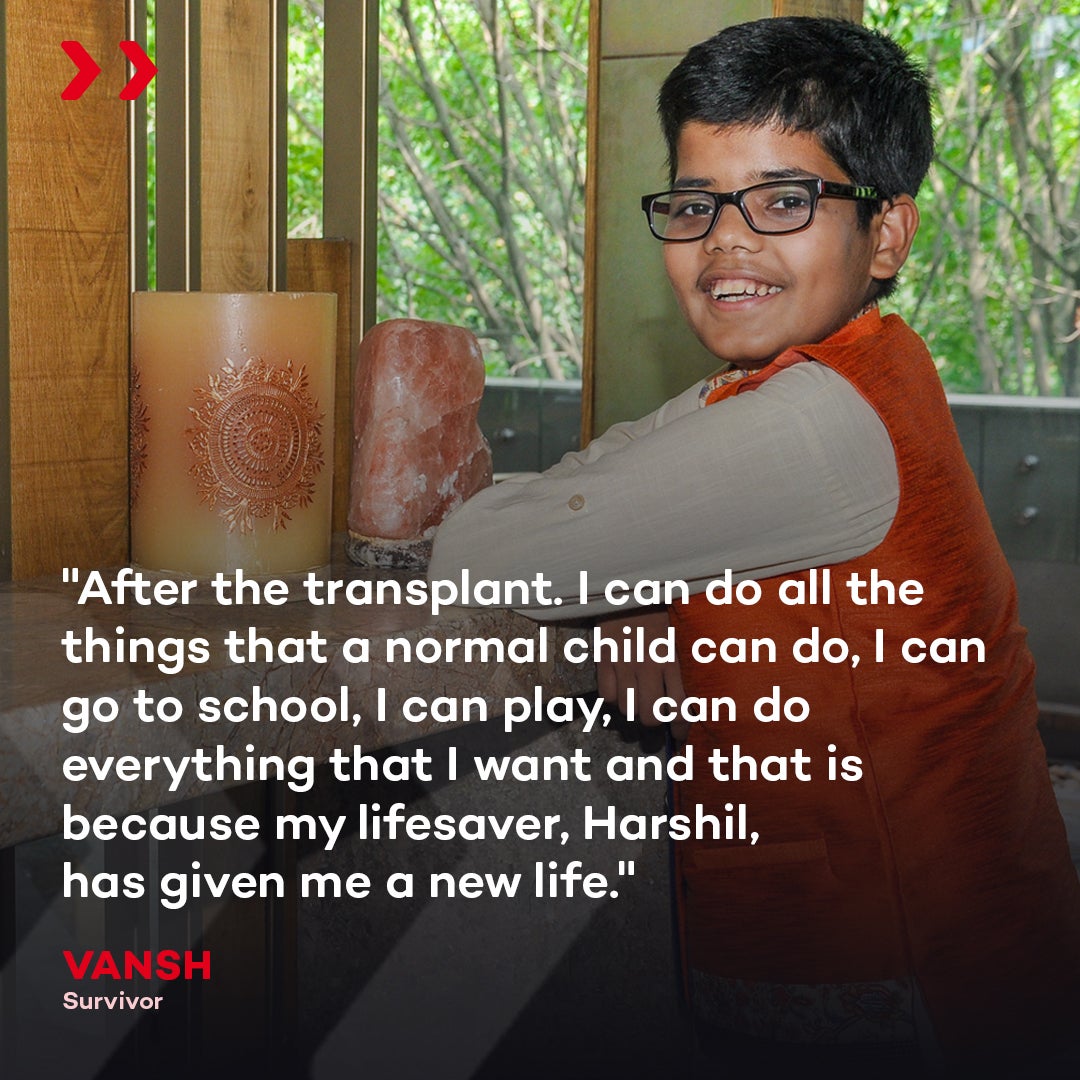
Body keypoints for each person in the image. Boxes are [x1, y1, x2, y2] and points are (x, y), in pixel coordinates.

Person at [429, 16, 1080, 1073]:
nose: (726, 242)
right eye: (695, 205)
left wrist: (616, 576)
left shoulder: (816, 420)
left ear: (887, 234)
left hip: (910, 987)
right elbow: (616, 476)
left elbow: (473, 554)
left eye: (783, 201)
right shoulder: (852, 367)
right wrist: (641, 588)